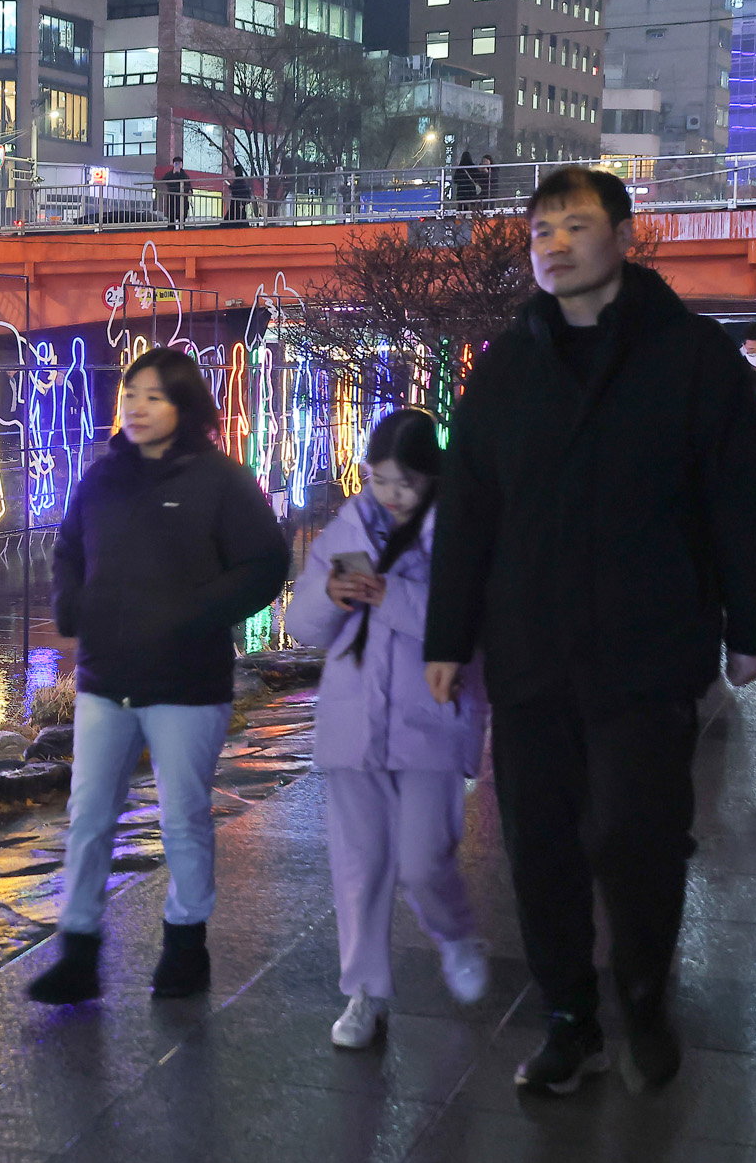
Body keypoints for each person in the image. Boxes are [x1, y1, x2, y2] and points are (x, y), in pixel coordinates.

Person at [425, 166, 756, 1096]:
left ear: (623, 235)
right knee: (537, 843)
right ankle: (566, 1016)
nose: (551, 244)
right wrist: (448, 634)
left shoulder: (691, 357)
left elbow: (742, 499)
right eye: (539, 230)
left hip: (647, 645)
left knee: (638, 833)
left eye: (574, 226)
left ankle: (642, 997)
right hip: (532, 652)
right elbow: (469, 508)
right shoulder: (506, 366)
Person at [28, 347, 290, 1004]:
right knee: (89, 814)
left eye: (154, 395)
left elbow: (265, 562)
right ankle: (79, 949)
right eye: (130, 393)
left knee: (183, 816)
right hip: (104, 678)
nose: (137, 407)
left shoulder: (221, 480)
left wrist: (195, 613)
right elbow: (67, 548)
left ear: (184, 405)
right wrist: (72, 604)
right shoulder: (102, 477)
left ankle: (184, 942)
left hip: (186, 682)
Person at [285, 408, 491, 1049]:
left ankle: (456, 934)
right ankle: (364, 993)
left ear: (433, 476)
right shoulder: (348, 529)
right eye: (379, 480)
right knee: (361, 863)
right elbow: (303, 626)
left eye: (404, 481)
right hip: (352, 720)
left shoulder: (461, 533)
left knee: (426, 856)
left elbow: (469, 626)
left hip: (430, 718)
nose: (390, 494)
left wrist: (387, 597)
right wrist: (334, 594)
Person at [158, 154, 192, 227]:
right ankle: (171, 227)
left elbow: (188, 185)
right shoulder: (169, 174)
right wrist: (174, 173)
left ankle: (182, 228)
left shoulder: (184, 175)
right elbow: (164, 181)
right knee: (171, 216)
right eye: (176, 163)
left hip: (182, 199)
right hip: (172, 198)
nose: (178, 165)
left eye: (180, 163)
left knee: (182, 217)